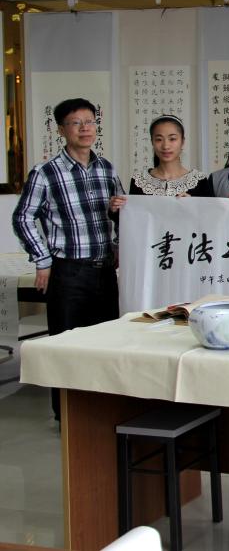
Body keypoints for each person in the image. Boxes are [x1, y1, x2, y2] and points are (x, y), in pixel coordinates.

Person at [13, 98, 124, 421]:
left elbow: (118, 213)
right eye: (76, 123)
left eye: (90, 121)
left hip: (104, 271)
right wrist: (42, 259)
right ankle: (67, 417)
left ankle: (100, 412)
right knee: (65, 346)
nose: (85, 128)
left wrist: (117, 241)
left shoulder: (106, 168)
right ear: (61, 130)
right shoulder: (46, 172)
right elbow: (23, 217)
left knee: (105, 344)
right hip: (69, 272)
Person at [129, 114, 203, 196]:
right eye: (159, 139)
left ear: (182, 141)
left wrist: (192, 202)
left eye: (172, 139)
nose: (165, 146)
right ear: (152, 142)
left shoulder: (200, 181)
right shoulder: (139, 181)